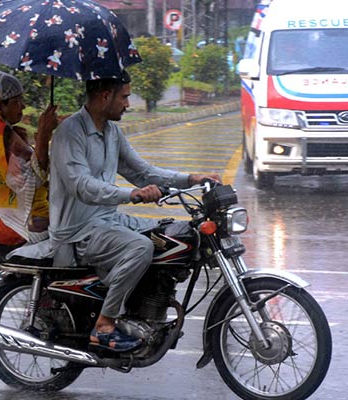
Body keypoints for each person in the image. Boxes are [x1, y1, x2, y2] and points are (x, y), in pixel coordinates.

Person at [49, 70, 220, 353]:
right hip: (77, 230)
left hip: (107, 221)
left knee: (169, 236)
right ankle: (104, 325)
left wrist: (191, 178)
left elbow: (143, 172)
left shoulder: (112, 132)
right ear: (106, 96)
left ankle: (141, 310)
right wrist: (132, 195)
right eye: (125, 96)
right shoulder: (70, 133)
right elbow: (81, 186)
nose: (128, 104)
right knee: (140, 247)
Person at [0, 67, 60, 247]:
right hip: (11, 226)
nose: (23, 106)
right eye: (17, 101)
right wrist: (43, 133)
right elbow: (33, 181)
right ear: (0, 104)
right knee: (72, 230)